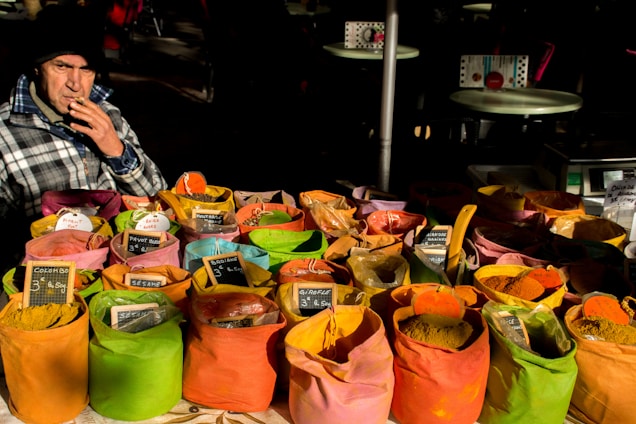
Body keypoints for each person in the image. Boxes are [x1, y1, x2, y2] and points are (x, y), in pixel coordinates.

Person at [0, 4, 168, 273]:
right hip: (53, 276)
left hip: (120, 267)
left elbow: (157, 199)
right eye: (62, 66)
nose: (75, 83)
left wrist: (115, 149)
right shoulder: (6, 132)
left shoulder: (107, 115)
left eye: (86, 69)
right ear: (36, 68)